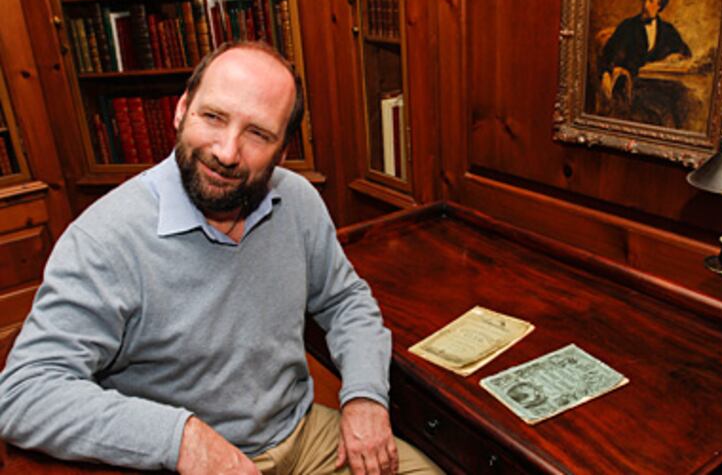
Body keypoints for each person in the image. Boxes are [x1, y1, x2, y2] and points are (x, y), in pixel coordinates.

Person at [0, 41, 441, 475]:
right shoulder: (104, 239)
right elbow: (23, 392)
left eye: (258, 134)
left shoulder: (298, 201)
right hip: (186, 463)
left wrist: (365, 396)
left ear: (282, 150)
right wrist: (181, 438)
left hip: (302, 435)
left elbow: (345, 301)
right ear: (181, 109)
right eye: (213, 117)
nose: (226, 152)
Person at [597, 0, 693, 127]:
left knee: (686, 99)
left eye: (651, 1)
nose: (645, 5)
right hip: (634, 86)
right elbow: (608, 54)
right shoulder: (628, 26)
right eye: (644, 0)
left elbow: (686, 52)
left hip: (662, 84)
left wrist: (676, 56)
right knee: (662, 110)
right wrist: (606, 73)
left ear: (660, 6)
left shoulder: (667, 30)